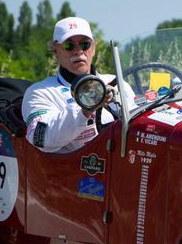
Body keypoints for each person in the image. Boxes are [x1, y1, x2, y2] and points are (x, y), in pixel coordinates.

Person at [22, 16, 135, 154]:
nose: (78, 51)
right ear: (56, 51)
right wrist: (85, 108)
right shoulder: (39, 92)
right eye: (69, 45)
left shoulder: (117, 83)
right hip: (76, 171)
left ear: (93, 48)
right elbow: (40, 139)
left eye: (84, 44)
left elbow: (140, 123)